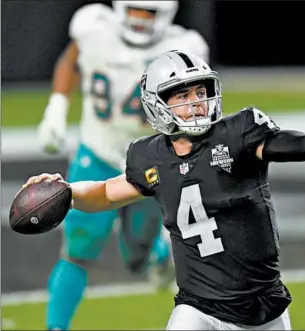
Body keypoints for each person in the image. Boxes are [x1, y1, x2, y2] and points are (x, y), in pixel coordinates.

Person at [27, 50, 305, 330]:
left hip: (261, 307)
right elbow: (106, 193)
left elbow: (301, 143)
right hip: (197, 308)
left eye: (200, 92)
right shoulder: (148, 157)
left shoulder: (238, 135)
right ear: (157, 105)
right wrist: (64, 190)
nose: (196, 103)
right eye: (181, 96)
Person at [36, 2, 210, 330]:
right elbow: (73, 57)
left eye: (149, 12)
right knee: (79, 248)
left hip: (148, 160)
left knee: (136, 257)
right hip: (98, 153)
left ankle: (158, 254)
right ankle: (55, 327)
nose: (140, 19)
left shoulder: (185, 46)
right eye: (135, 9)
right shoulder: (95, 28)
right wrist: (57, 105)